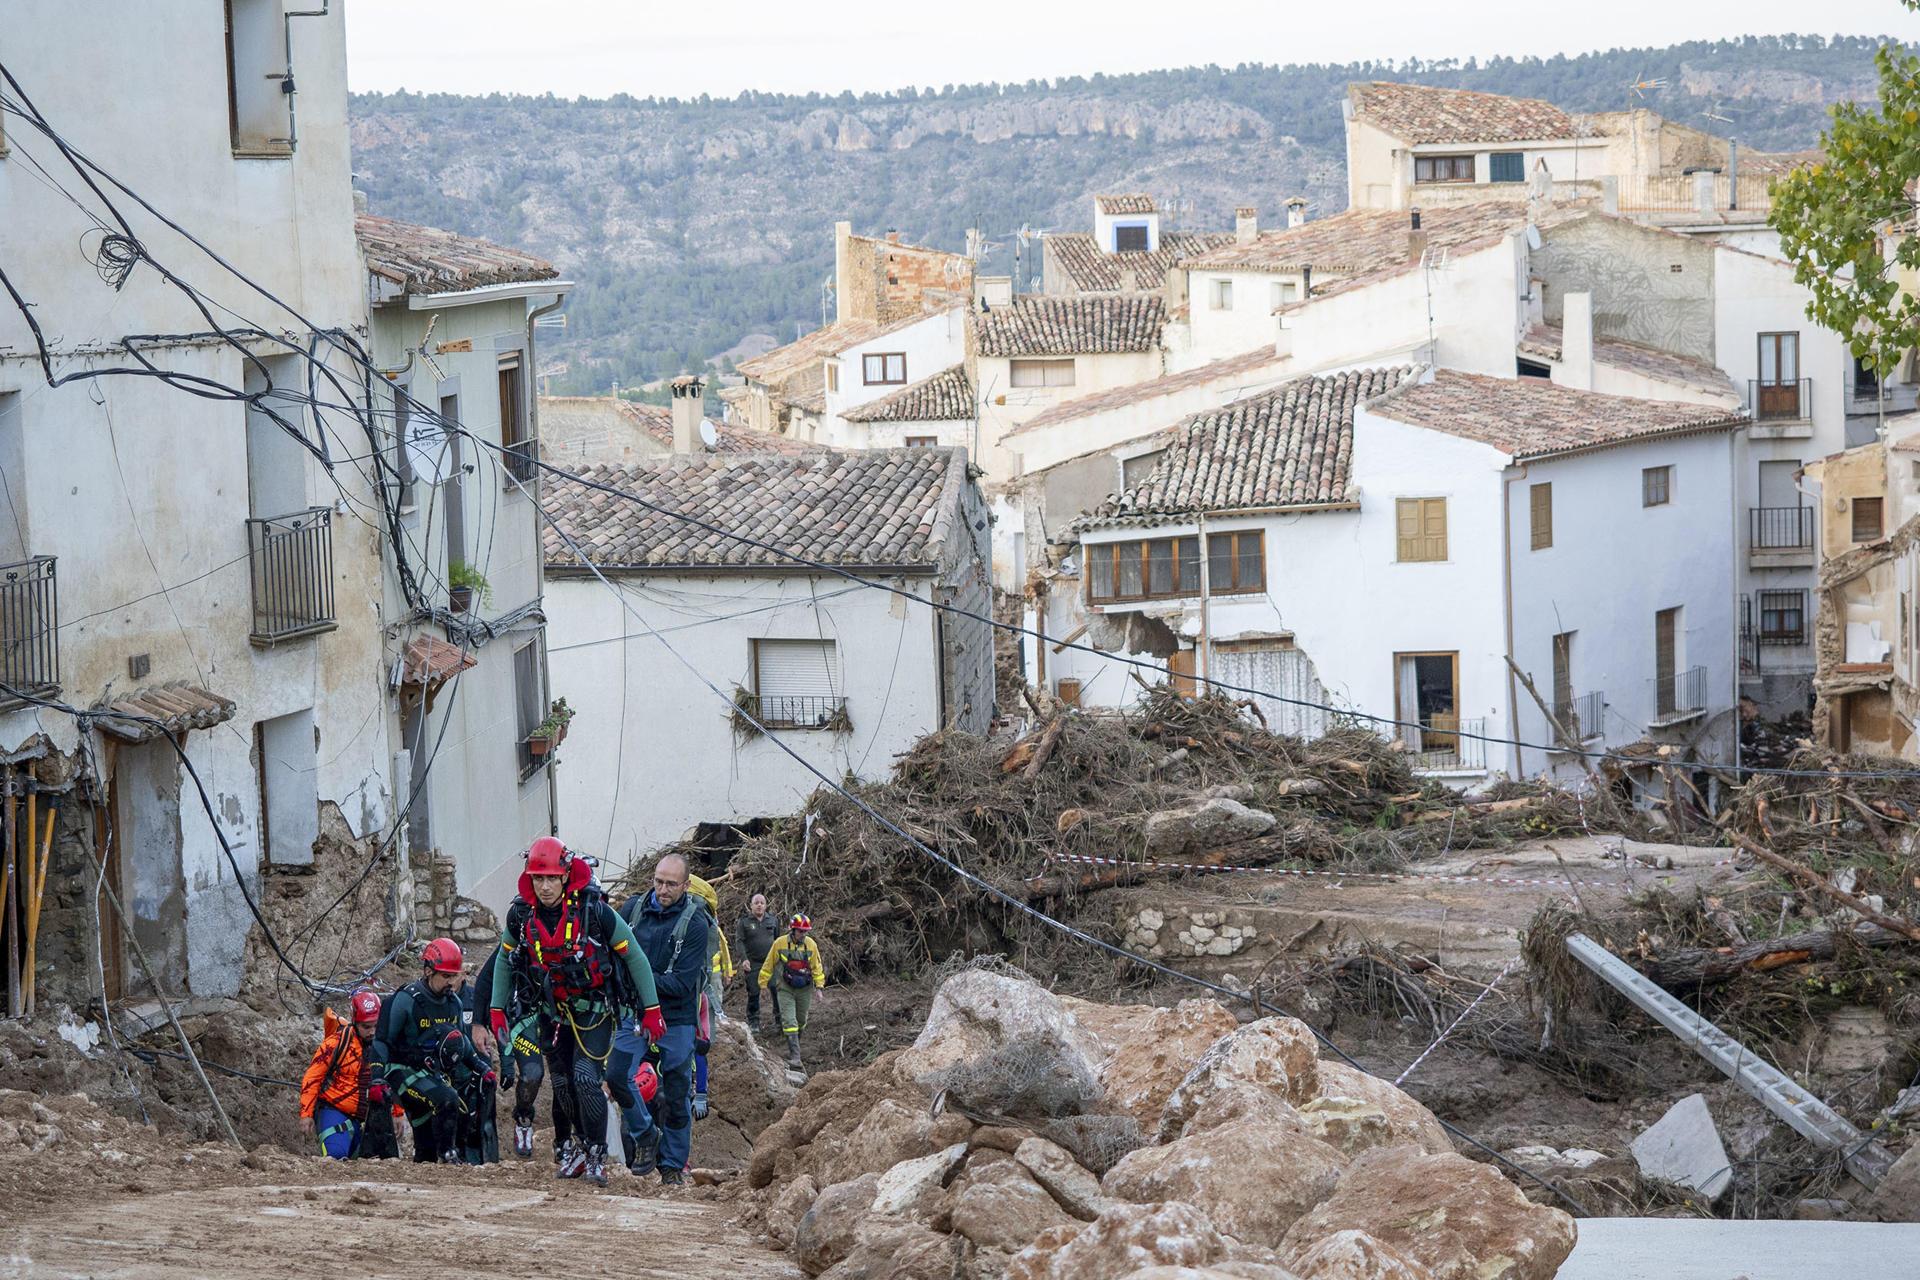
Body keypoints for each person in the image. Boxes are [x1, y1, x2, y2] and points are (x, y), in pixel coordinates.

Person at [492, 836, 662, 1188]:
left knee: (586, 1080)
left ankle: (598, 1151)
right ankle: (582, 1147)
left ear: (566, 876)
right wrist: (496, 1009)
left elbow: (635, 958)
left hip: (593, 1010)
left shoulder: (594, 911)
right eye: (539, 879)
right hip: (550, 1012)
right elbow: (504, 964)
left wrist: (651, 1009)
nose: (545, 887)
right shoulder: (521, 914)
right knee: (563, 1085)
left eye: (552, 878)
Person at [611, 853, 708, 1186]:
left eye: (670, 884)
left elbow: (682, 984)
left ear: (685, 885)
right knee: (618, 1075)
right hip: (634, 1013)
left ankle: (672, 1166)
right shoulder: (633, 911)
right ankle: (643, 1136)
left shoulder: (695, 923)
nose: (663, 890)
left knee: (677, 1091)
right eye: (658, 881)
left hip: (676, 1018)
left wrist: (639, 977)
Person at [375, 938, 492, 1163]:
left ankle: (427, 1169)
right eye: (446, 976)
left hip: (431, 1074)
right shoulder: (405, 1000)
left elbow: (462, 1041)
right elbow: (382, 1041)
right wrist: (378, 1079)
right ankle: (448, 1156)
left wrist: (481, 1066)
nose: (451, 982)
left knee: (432, 1139)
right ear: (429, 971)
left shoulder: (453, 1003)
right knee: (447, 1099)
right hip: (401, 1072)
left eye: (454, 976)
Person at [471, 942, 551, 1160]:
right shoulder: (521, 933)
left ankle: (568, 1140)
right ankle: (524, 1118)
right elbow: (487, 979)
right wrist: (478, 1023)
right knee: (533, 1074)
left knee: (568, 1080)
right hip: (527, 1016)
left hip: (564, 1014)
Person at [299, 988, 383, 1159]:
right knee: (335, 1157)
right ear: (355, 1021)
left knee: (380, 1162)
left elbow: (394, 1078)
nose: (372, 1032)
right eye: (366, 1027)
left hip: (370, 1117)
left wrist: (396, 1114)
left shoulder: (386, 1044)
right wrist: (306, 1114)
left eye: (376, 1025)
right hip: (335, 1110)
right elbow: (312, 1077)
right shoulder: (336, 1043)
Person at [686, 874, 732, 1122]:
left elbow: (720, 952)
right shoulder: (704, 926)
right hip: (695, 992)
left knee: (698, 1046)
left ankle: (698, 1092)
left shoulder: (703, 929)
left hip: (698, 993)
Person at [758, 914, 824, 1072]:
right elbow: (768, 965)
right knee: (789, 1021)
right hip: (785, 989)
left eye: (805, 931)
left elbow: (817, 967)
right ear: (792, 930)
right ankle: (795, 1056)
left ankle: (796, 1046)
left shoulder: (811, 945)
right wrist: (763, 985)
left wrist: (819, 988)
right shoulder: (779, 943)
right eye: (800, 931)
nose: (803, 934)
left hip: (804, 989)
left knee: (801, 1020)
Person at [735, 892, 781, 1032]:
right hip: (753, 963)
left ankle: (780, 1020)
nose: (759, 905)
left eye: (762, 903)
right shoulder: (744, 921)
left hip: (771, 962)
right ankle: (753, 1020)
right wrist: (744, 959)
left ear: (766, 905)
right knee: (754, 992)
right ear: (751, 906)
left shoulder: (773, 920)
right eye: (756, 903)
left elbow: (778, 940)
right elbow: (739, 941)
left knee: (776, 990)